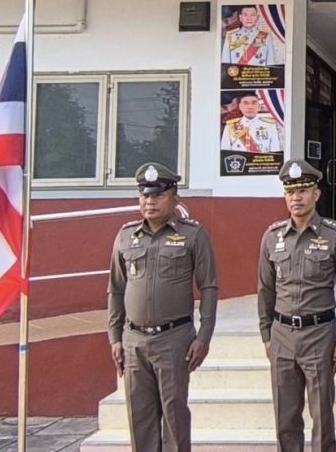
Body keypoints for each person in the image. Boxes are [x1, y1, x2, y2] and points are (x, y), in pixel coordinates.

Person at [107, 162, 218, 452]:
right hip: (134, 340)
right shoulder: (126, 236)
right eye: (145, 195)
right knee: (139, 418)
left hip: (174, 339)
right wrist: (115, 337)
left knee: (174, 416)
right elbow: (116, 289)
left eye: (157, 195)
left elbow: (208, 287)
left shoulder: (193, 234)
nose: (150, 201)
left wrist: (204, 335)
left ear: (174, 197)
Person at [258, 159, 336, 452]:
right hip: (282, 334)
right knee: (285, 417)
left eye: (303, 191)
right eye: (290, 192)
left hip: (320, 333)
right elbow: (265, 289)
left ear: (316, 194)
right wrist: (266, 333)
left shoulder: (335, 235)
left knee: (322, 415)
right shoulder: (272, 237)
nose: (296, 198)